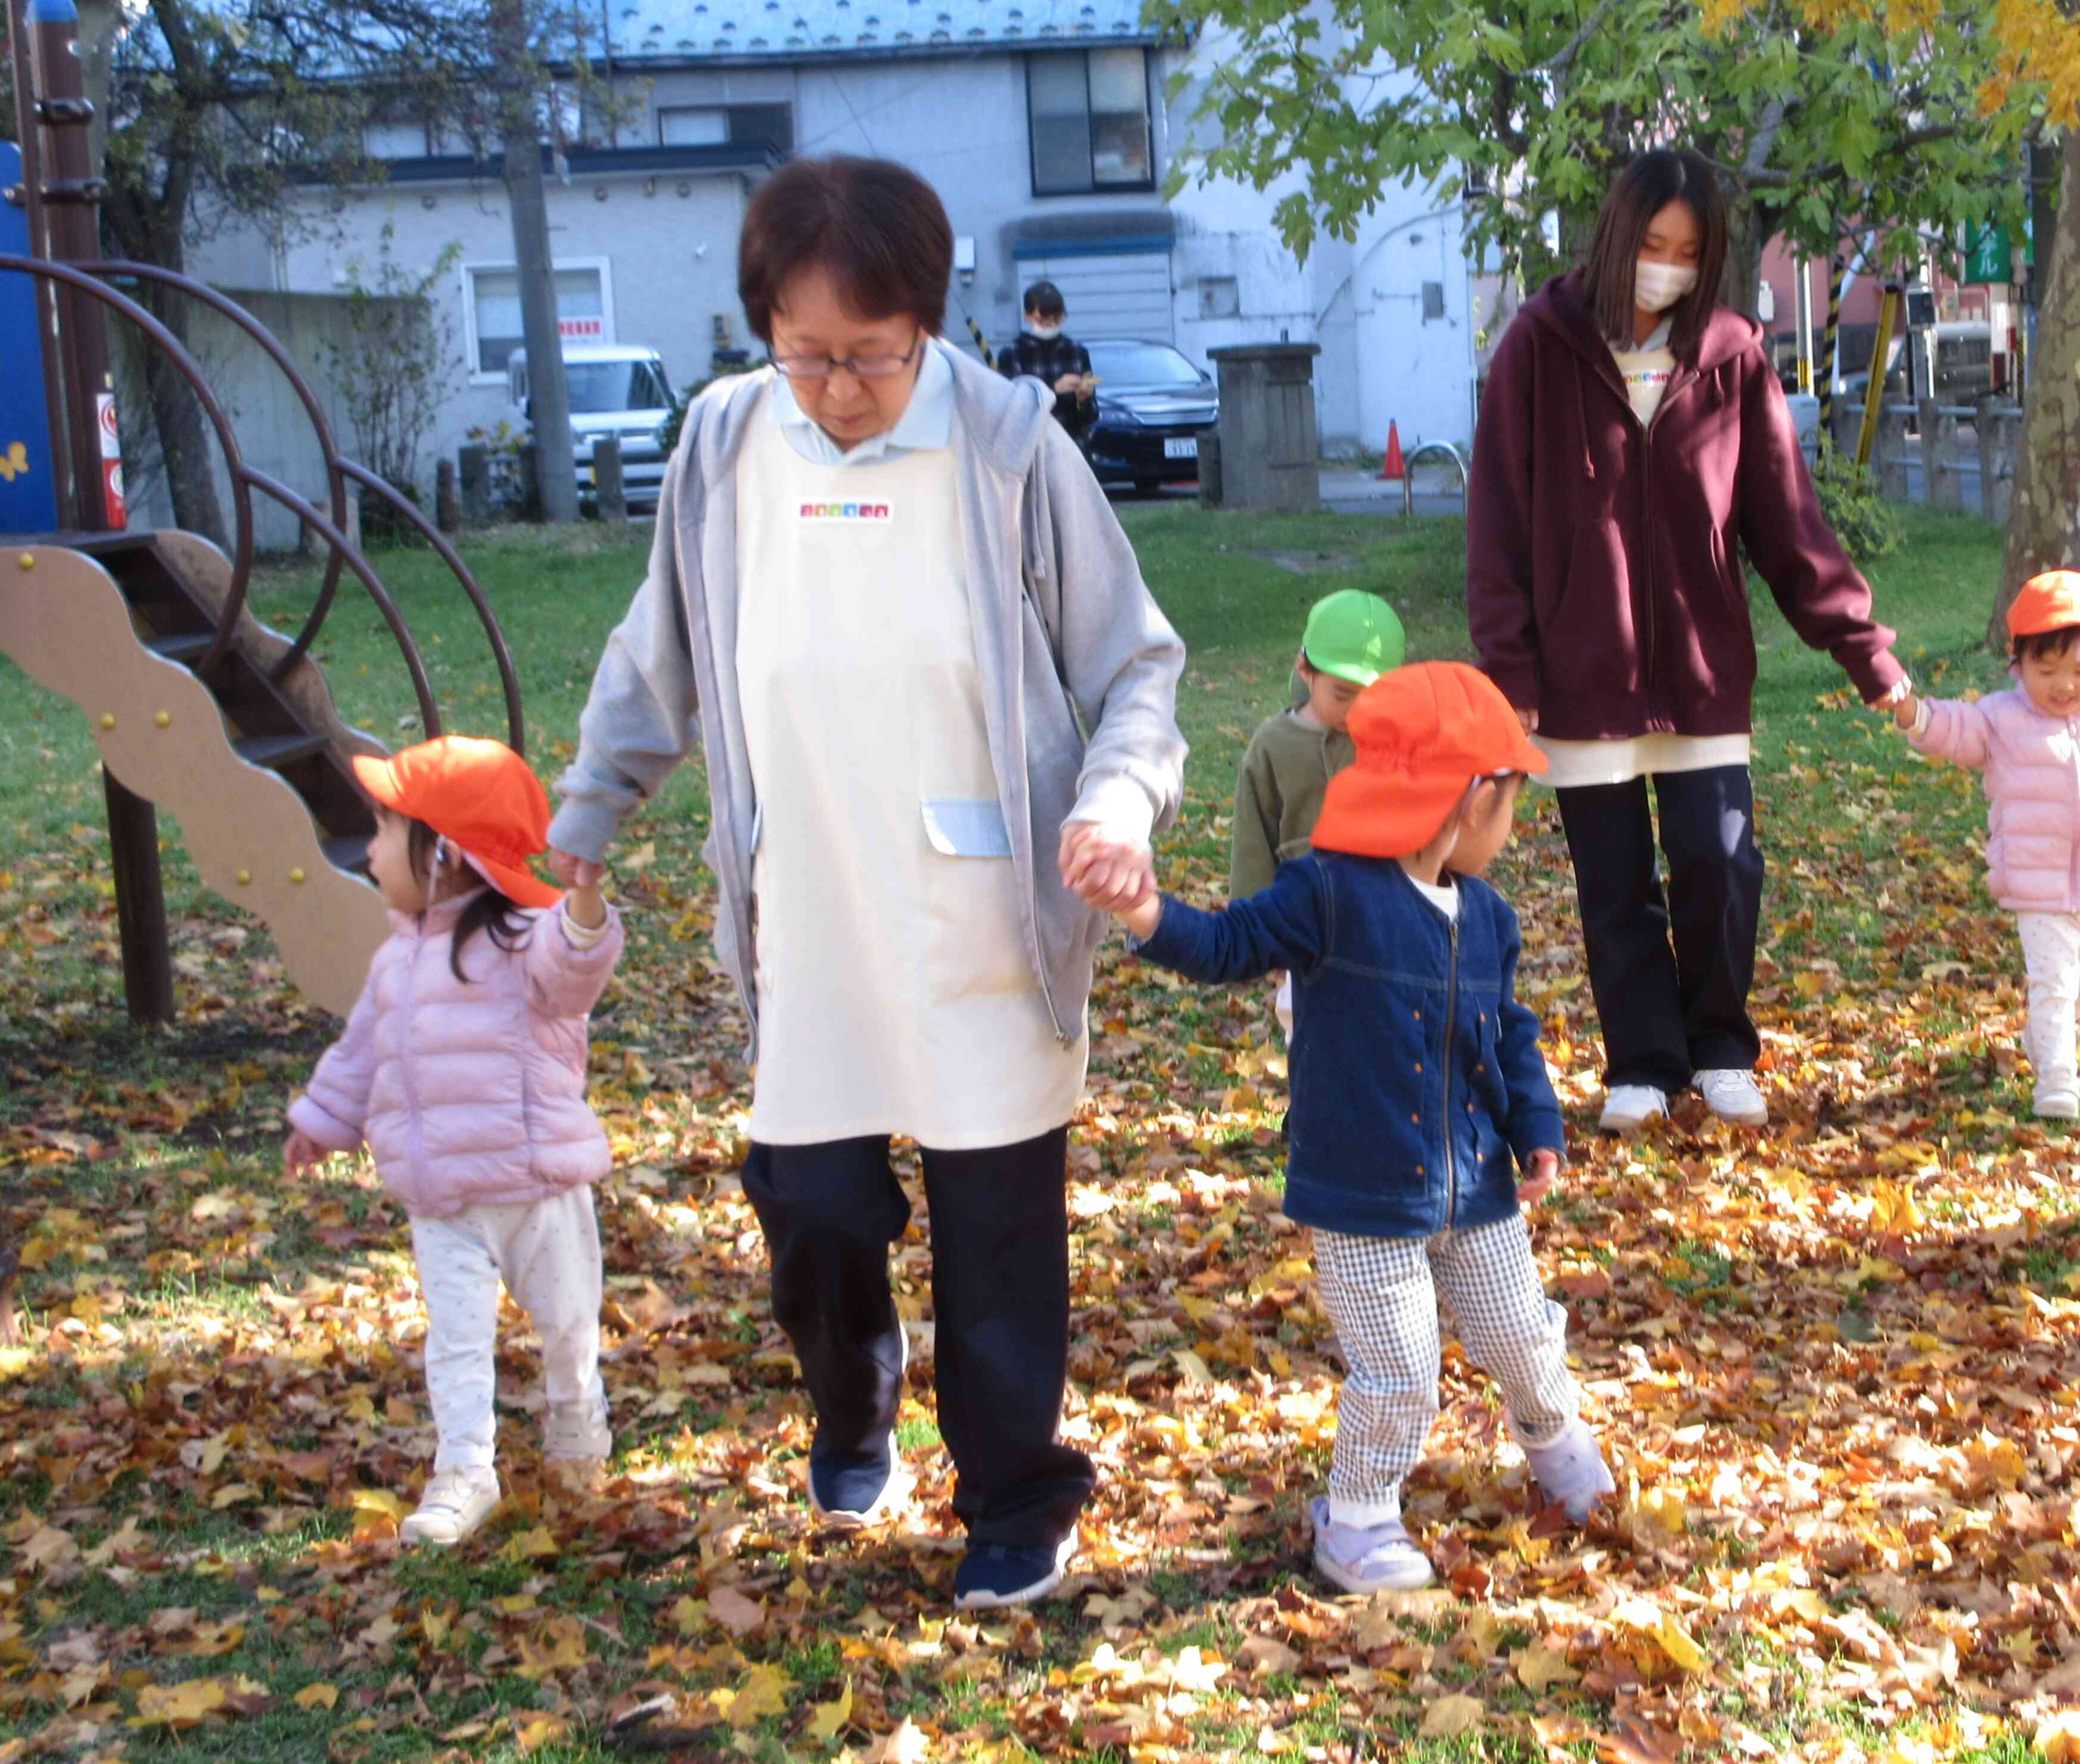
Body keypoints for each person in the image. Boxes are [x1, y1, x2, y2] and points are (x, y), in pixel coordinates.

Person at [545, 156, 1186, 1610]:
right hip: (806, 896)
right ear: (764, 324)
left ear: (930, 320)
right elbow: (660, 654)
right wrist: (595, 799)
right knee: (817, 1201)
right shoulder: (720, 445)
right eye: (808, 353)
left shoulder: (1011, 442)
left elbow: (1134, 662)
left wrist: (1116, 794)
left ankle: (1018, 1493)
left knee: (998, 1224)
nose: (839, 389)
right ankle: (852, 1406)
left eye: (874, 357)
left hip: (985, 902)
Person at [1084, 662, 1613, 1594]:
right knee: (1401, 1365)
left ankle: (1556, 1442)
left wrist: (1538, 1125)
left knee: (1522, 1332)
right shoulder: (1330, 892)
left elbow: (1511, 1030)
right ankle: (1359, 1517)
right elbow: (1226, 946)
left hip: (1476, 1183)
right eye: (1512, 801)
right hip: (1364, 1193)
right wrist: (1141, 909)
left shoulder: (1487, 915)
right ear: (1470, 796)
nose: (1513, 825)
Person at [1466, 147, 1910, 1137]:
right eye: (1649, 245)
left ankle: (1718, 1047)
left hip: (1701, 672)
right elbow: (1495, 520)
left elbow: (1784, 522)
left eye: (1685, 250)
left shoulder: (1730, 351)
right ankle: (1640, 1060)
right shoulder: (1538, 345)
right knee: (1612, 881)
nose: (1663, 265)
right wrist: (1510, 668)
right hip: (1580, 676)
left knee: (1720, 864)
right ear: (1616, 239)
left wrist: (1862, 649)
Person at [282, 736, 623, 1548]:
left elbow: (575, 971)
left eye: (384, 830)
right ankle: (465, 1469)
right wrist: (320, 1121)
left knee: (570, 1321)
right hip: (444, 1201)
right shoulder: (396, 960)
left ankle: (577, 1419)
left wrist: (580, 906)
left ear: (446, 854)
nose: (368, 849)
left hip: (537, 1188)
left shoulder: (524, 940)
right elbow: (360, 1053)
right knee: (458, 1339)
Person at [1892, 571, 2080, 1119]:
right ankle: (2057, 1082)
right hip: (2038, 885)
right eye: (2046, 670)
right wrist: (1914, 714)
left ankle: (2044, 1038)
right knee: (2054, 984)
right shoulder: (2002, 719)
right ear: (2017, 664)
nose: (2064, 684)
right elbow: (1953, 730)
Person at [1231, 589, 1407, 1035]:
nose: (1357, 710)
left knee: (1387, 1033)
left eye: (1373, 695)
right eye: (1343, 694)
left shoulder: (1396, 741)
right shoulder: (1272, 746)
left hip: (1386, 926)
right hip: (1304, 926)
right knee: (1309, 1036)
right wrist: (1257, 931)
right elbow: (1253, 845)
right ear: (1305, 670)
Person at [995, 281, 1096, 446]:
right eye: (1044, 315)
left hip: (1072, 447)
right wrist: (1053, 390)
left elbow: (1090, 417)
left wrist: (1084, 400)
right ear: (1027, 316)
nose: (1051, 321)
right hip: (1031, 450)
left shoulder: (1078, 352)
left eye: (1057, 316)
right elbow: (1010, 411)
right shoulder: (1012, 354)